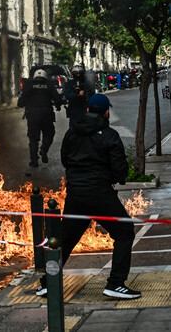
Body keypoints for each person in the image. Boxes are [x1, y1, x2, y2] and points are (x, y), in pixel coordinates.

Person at [36, 93, 140, 300]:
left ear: (87, 110)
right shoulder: (110, 135)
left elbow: (65, 159)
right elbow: (120, 170)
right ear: (106, 112)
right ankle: (116, 283)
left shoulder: (72, 132)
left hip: (76, 194)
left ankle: (48, 284)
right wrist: (113, 177)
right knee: (125, 231)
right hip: (100, 193)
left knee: (65, 239)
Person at [17, 69, 62, 168]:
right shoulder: (49, 85)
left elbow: (20, 103)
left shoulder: (29, 86)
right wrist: (58, 104)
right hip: (47, 115)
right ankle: (44, 149)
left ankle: (34, 161)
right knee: (49, 133)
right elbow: (57, 99)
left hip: (33, 116)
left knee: (33, 139)